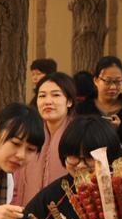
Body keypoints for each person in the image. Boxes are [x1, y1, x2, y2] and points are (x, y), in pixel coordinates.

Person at [11, 72, 75, 208]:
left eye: (56, 95)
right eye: (42, 96)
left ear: (69, 101)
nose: (48, 101)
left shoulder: (79, 134)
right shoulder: (30, 134)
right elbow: (16, 183)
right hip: (29, 217)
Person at [76, 56, 122, 142]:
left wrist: (121, 129)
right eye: (107, 81)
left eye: (118, 81)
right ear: (96, 80)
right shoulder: (82, 109)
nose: (113, 87)